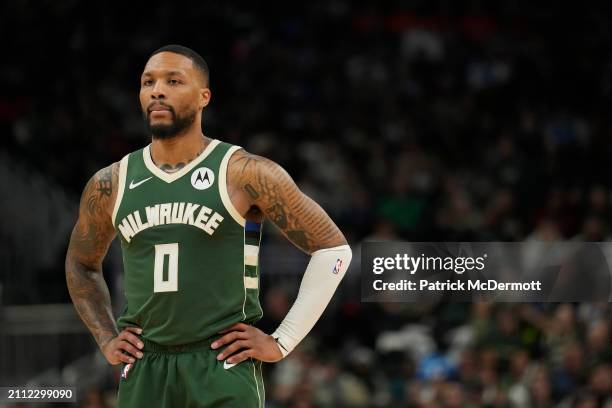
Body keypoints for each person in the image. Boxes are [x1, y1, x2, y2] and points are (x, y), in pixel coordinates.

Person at [65, 44, 352, 408]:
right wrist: (106, 337)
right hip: (144, 364)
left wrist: (283, 341)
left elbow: (333, 250)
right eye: (147, 81)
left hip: (220, 363)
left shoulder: (244, 172)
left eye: (173, 80)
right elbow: (81, 263)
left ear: (204, 97)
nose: (157, 90)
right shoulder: (111, 183)